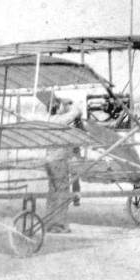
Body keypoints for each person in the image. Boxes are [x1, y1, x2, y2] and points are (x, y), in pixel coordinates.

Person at [44, 95, 83, 233]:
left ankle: (49, 223)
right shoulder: (58, 120)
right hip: (58, 161)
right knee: (63, 192)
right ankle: (58, 225)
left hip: (49, 160)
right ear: (57, 108)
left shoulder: (49, 120)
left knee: (53, 192)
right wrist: (73, 106)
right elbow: (75, 113)